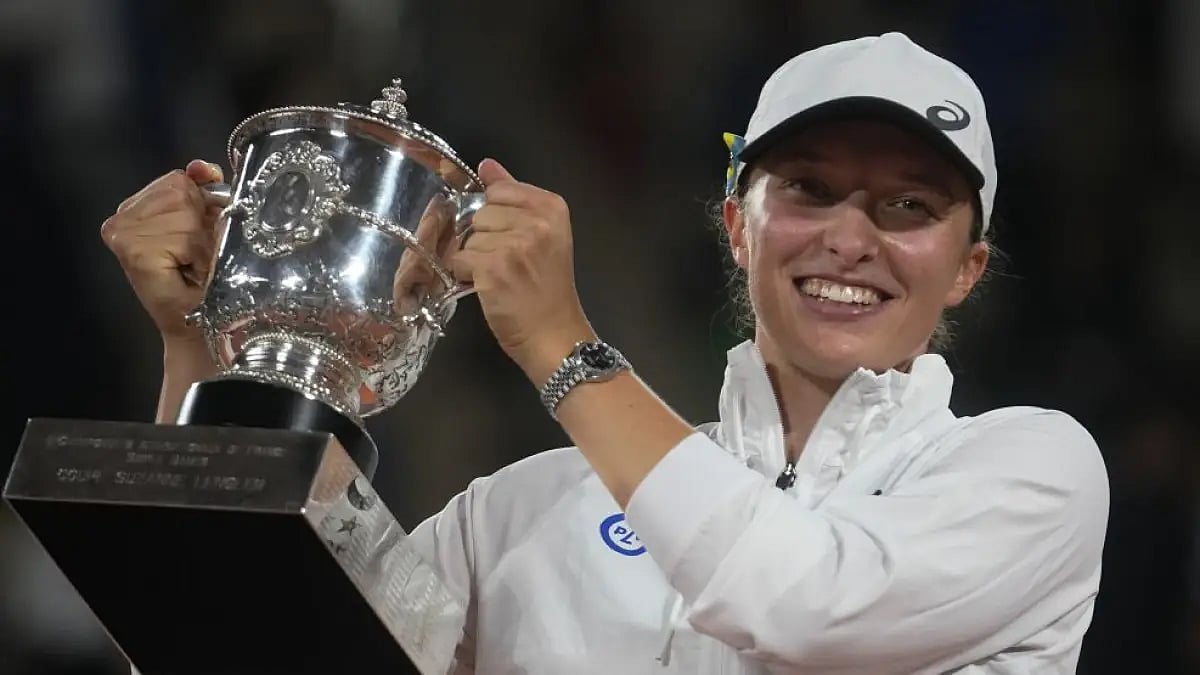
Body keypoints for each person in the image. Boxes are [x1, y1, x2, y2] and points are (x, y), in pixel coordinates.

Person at [102, 32, 1109, 674]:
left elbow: (806, 605)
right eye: (807, 188)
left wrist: (559, 343)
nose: (851, 236)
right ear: (736, 225)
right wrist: (209, 355)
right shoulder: (529, 512)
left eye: (908, 206)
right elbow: (242, 651)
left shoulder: (1025, 473)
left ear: (968, 266)